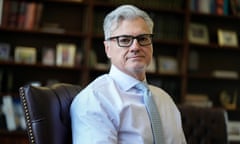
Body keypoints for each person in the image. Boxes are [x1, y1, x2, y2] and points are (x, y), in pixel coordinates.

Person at [70, 4, 186, 144]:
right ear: (108, 49)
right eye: (124, 40)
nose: (135, 47)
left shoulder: (164, 99)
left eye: (143, 39)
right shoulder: (95, 100)